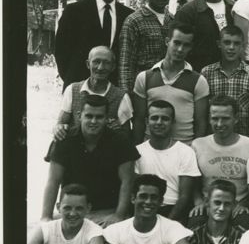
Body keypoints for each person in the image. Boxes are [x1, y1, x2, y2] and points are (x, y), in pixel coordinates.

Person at [41, 95, 139, 225]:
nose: (93, 121)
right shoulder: (64, 140)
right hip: (72, 211)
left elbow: (127, 181)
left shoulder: (120, 141)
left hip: (107, 212)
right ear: (80, 115)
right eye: (89, 116)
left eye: (99, 117)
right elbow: (53, 181)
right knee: (40, 235)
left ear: (107, 118)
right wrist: (46, 217)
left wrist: (118, 215)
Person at [54, 0, 133, 90]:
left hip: (114, 89)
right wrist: (72, 80)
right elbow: (61, 51)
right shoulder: (74, 11)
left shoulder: (128, 15)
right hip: (78, 85)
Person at [131, 22, 210, 144]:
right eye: (177, 43)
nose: (180, 49)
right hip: (151, 148)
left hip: (185, 148)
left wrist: (195, 150)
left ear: (191, 47)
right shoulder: (145, 77)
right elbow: (139, 120)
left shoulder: (198, 81)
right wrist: (137, 149)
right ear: (167, 41)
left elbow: (201, 122)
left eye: (186, 45)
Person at [190, 95, 249, 227]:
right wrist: (199, 202)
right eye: (215, 119)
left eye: (225, 119)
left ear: (236, 118)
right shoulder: (198, 145)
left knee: (243, 224)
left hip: (237, 205)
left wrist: (244, 204)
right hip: (209, 205)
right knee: (195, 222)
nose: (219, 124)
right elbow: (193, 182)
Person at [134, 100, 201, 223]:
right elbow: (135, 192)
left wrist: (167, 224)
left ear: (173, 122)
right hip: (145, 209)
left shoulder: (185, 152)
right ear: (147, 121)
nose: (159, 122)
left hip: (175, 211)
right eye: (154, 118)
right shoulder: (137, 152)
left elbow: (184, 197)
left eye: (165, 118)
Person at [53, 45, 132, 139]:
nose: (100, 67)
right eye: (96, 62)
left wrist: (116, 130)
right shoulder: (72, 90)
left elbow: (126, 135)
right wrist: (59, 129)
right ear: (88, 64)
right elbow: (61, 123)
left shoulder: (121, 97)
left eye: (106, 63)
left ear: (113, 67)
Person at [117, 0, 173, 92]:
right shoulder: (134, 21)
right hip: (142, 88)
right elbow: (125, 63)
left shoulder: (174, 20)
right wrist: (127, 94)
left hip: (170, 87)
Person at [174, 0, 234, 71]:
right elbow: (179, 49)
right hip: (198, 76)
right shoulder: (187, 12)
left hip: (229, 76)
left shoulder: (235, 9)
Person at [201, 25, 249, 138]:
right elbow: (203, 112)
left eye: (236, 43)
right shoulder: (207, 73)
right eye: (227, 42)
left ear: (242, 46)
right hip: (215, 138)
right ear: (219, 44)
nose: (231, 47)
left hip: (245, 138)